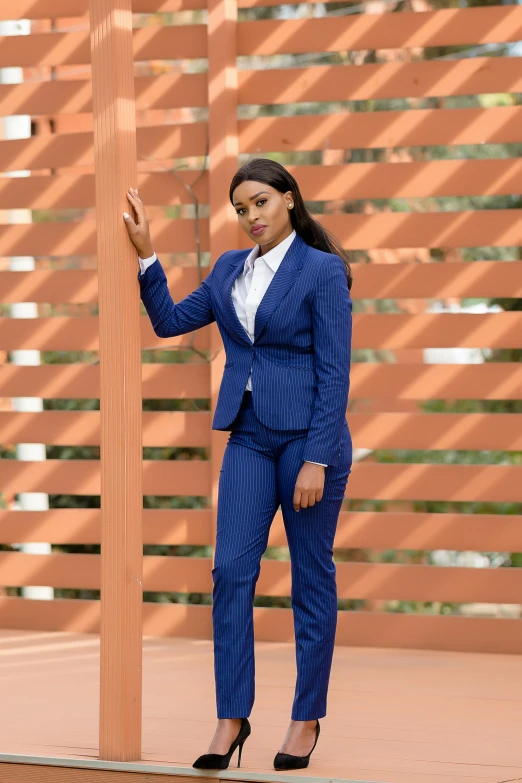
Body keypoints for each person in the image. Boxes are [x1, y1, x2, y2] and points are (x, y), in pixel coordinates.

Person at [123, 158, 353, 772]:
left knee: (310, 580)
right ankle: (232, 715)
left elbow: (335, 372)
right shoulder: (229, 268)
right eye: (242, 208)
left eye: (260, 203)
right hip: (248, 437)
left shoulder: (323, 270)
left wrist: (318, 459)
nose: (251, 216)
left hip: (309, 441)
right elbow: (171, 321)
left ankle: (305, 718)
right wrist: (147, 255)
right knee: (229, 572)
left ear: (289, 199)